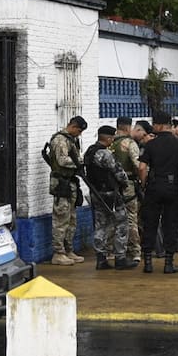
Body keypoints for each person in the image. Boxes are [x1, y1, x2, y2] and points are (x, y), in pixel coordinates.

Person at [137, 111, 178, 274]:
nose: (153, 127)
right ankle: (169, 263)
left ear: (160, 125)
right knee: (171, 224)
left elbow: (142, 168)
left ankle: (148, 263)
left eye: (154, 124)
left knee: (150, 223)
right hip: (172, 187)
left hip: (154, 187)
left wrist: (144, 184)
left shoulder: (150, 145)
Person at [84, 125, 132, 270]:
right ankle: (120, 258)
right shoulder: (105, 154)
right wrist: (125, 184)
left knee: (100, 225)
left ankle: (101, 259)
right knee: (122, 224)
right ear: (109, 138)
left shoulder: (90, 152)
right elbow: (119, 173)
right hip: (111, 194)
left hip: (96, 193)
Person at [46, 116, 88, 265]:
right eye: (79, 130)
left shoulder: (70, 140)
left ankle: (68, 250)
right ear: (73, 126)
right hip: (61, 184)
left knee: (71, 219)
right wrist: (81, 162)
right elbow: (62, 160)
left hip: (70, 183)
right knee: (61, 219)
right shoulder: (60, 140)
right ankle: (58, 253)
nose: (80, 134)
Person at [111, 116, 143, 267]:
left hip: (111, 186)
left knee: (114, 219)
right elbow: (138, 165)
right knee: (131, 218)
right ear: (128, 127)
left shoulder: (109, 142)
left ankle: (114, 250)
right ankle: (134, 251)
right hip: (128, 185)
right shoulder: (129, 143)